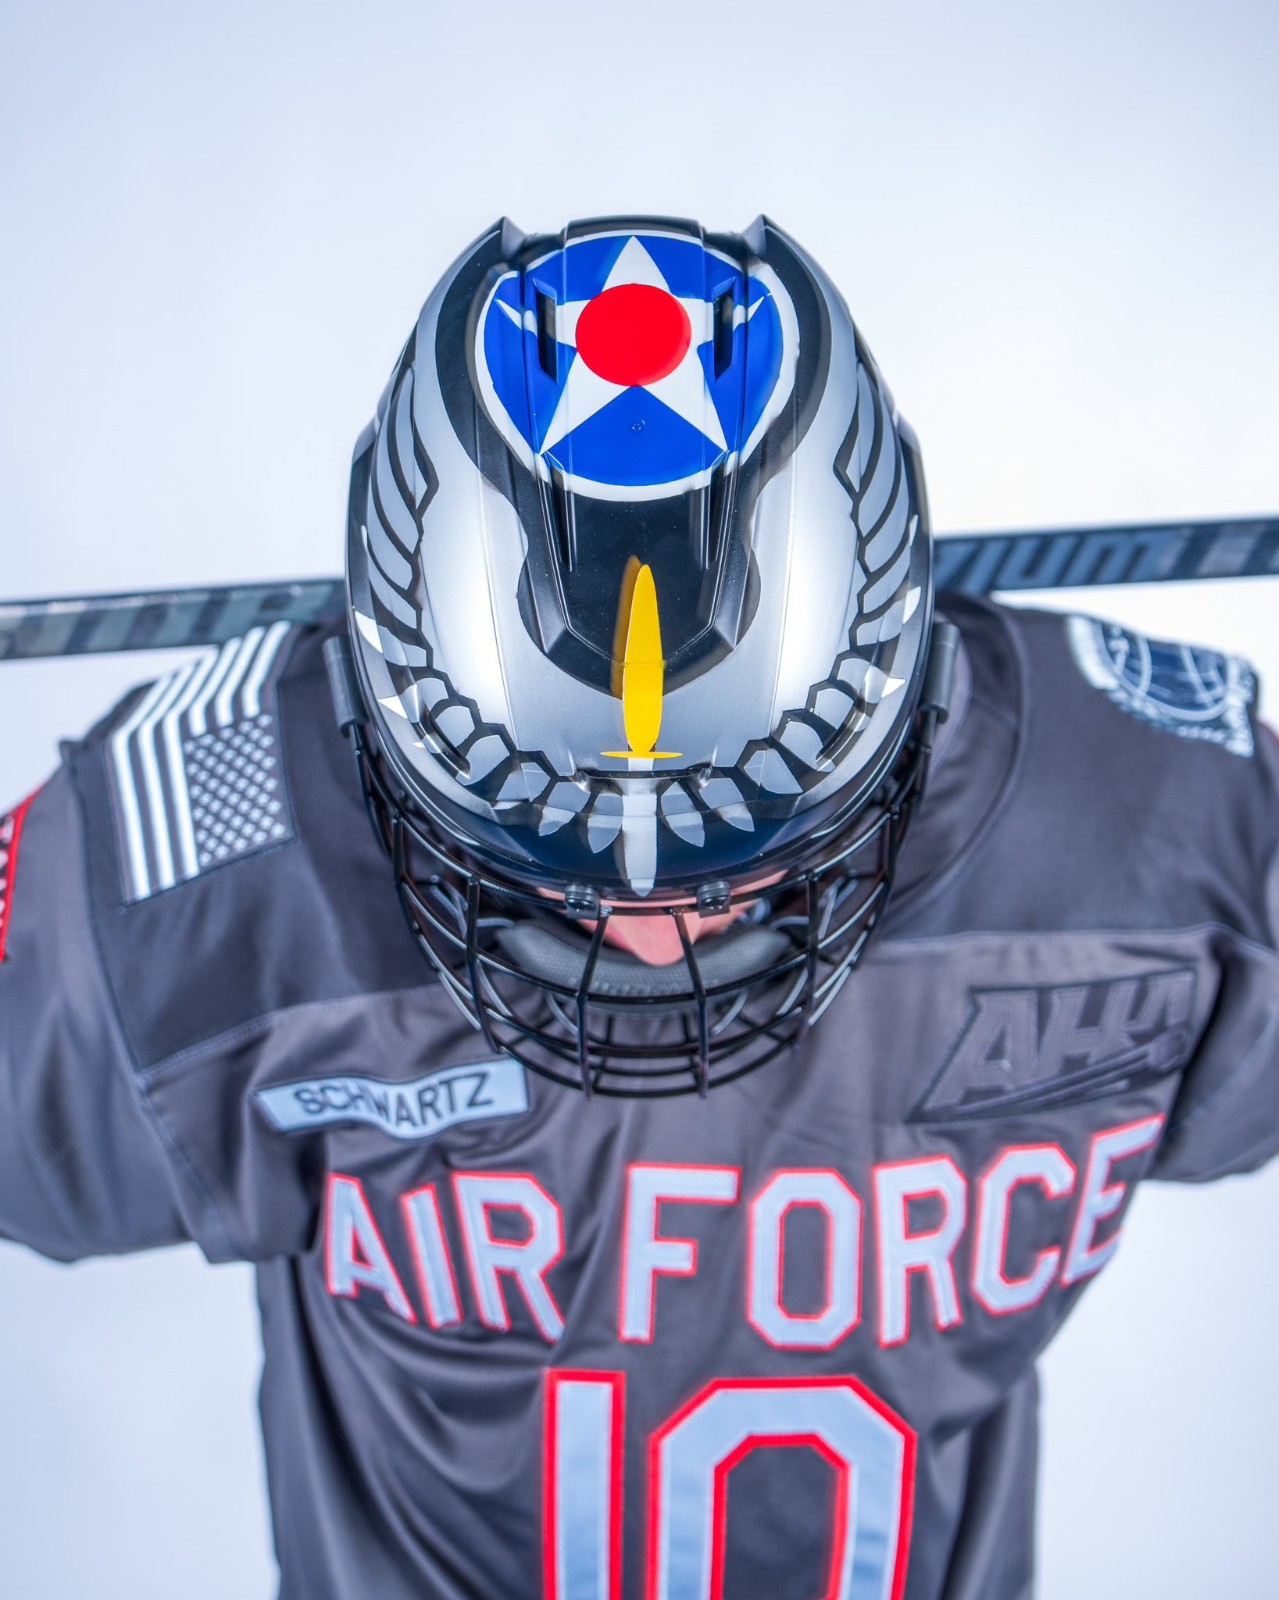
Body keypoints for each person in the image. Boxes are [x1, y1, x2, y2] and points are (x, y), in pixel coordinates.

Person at [2, 214, 1277, 1600]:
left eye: (749, 854)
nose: (656, 936)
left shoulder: (1158, 828)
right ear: (379, 731)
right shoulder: (213, 844)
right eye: (540, 863)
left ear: (900, 716)